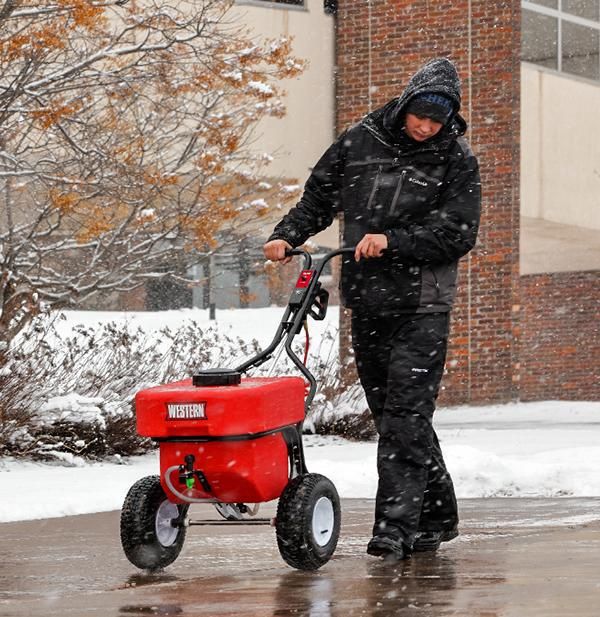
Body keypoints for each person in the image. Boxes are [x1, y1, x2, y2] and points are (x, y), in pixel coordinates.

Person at [263, 58, 481, 560]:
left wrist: (394, 241)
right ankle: (438, 516)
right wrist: (286, 235)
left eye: (438, 120)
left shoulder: (456, 159)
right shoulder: (359, 141)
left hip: (422, 304)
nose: (426, 126)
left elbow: (458, 233)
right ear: (405, 105)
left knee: (406, 416)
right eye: (420, 115)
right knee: (394, 418)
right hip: (368, 301)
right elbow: (318, 197)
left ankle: (394, 529)